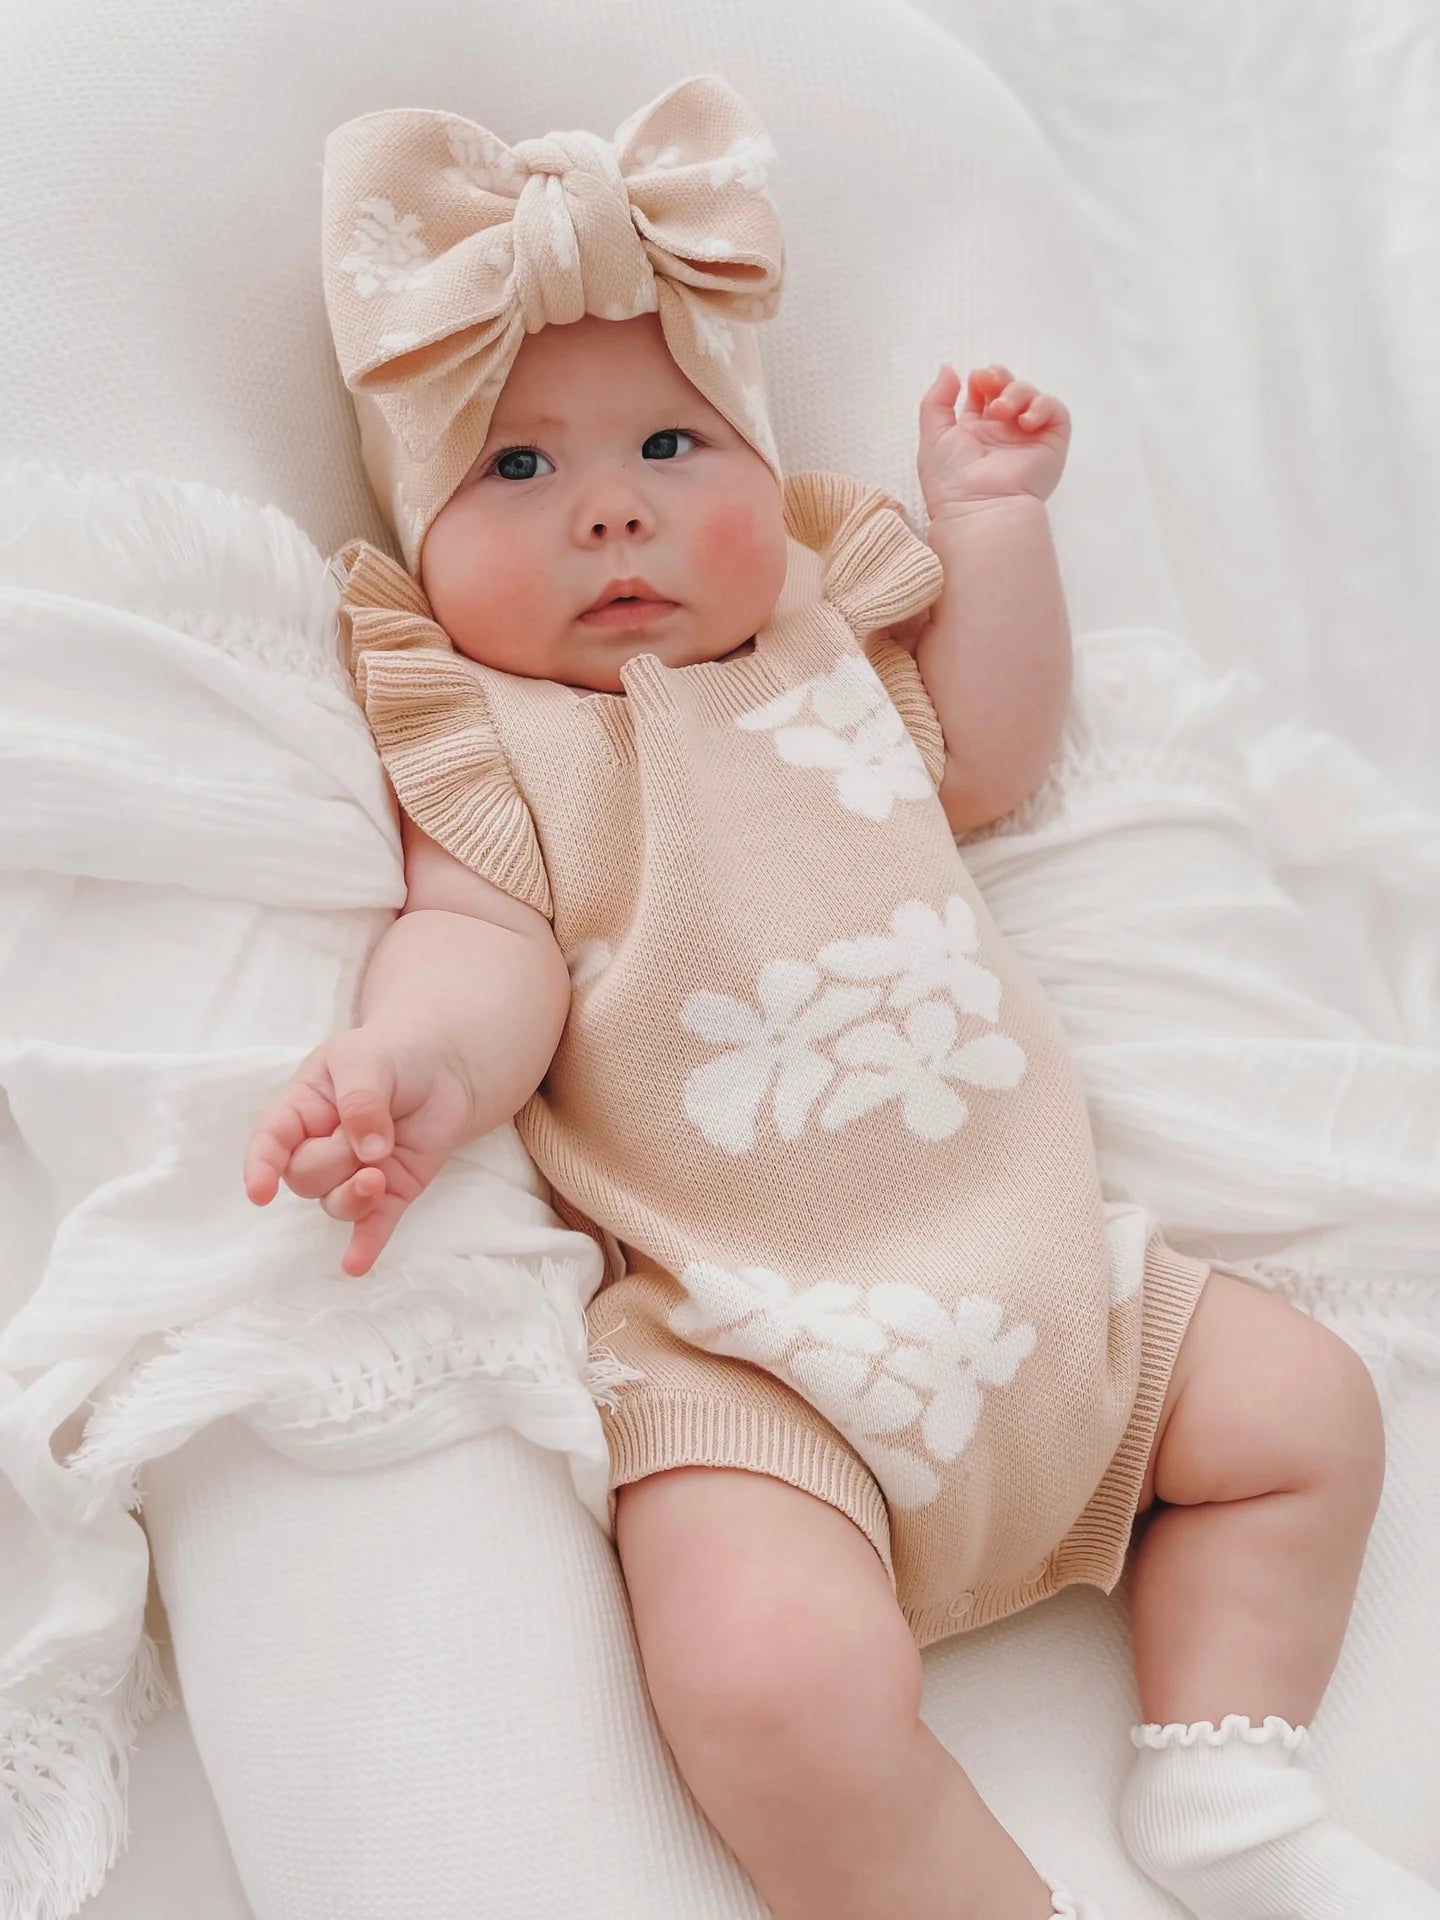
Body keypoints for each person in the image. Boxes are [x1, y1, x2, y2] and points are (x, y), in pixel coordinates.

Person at [243, 73, 1437, 1920]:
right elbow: (479, 961)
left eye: (668, 450)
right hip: (754, 1353)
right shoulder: (497, 743)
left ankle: (1228, 1775)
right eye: (520, 469)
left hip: (1054, 1283)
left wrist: (996, 526)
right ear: (422, 538)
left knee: (1310, 1416)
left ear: (759, 467)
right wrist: (407, 1069)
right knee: (769, 1680)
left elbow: (990, 756)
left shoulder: (822, 638)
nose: (614, 520)